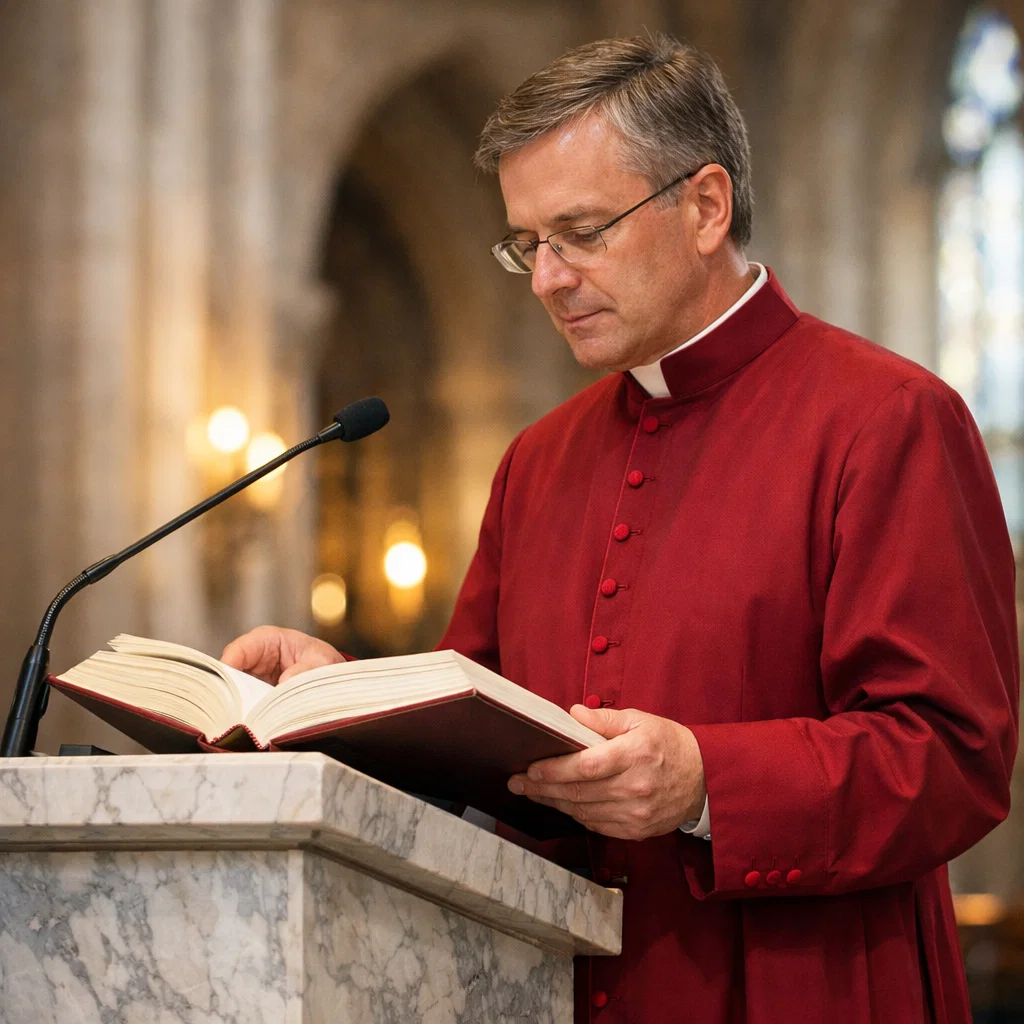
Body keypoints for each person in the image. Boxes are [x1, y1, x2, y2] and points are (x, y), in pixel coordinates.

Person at [224, 35, 1020, 1024]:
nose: (547, 278)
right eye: (527, 244)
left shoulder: (887, 419)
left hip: (805, 990)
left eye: (581, 232)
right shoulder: (538, 459)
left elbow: (952, 758)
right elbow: (474, 730)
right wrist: (335, 698)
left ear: (705, 207)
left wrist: (704, 783)